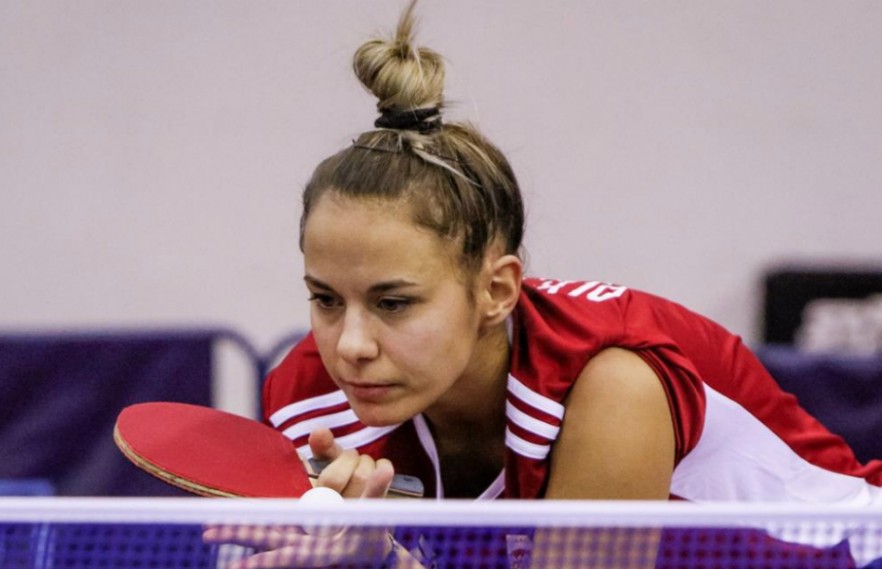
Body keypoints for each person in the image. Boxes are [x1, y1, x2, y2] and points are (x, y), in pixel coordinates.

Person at [203, 2, 882, 567]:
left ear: (497, 291)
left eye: (394, 302)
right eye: (325, 299)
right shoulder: (312, 401)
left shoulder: (612, 385)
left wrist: (386, 563)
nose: (350, 345)